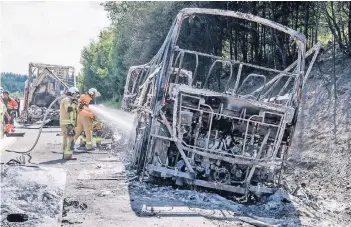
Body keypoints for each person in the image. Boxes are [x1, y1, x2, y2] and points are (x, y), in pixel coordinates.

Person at [59, 87, 80, 160]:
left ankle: (67, 155)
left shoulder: (70, 100)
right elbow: (69, 109)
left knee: (68, 139)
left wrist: (79, 105)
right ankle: (67, 155)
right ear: (72, 93)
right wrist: (74, 103)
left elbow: (75, 111)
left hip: (69, 123)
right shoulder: (66, 100)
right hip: (67, 123)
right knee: (69, 139)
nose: (76, 96)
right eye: (76, 94)